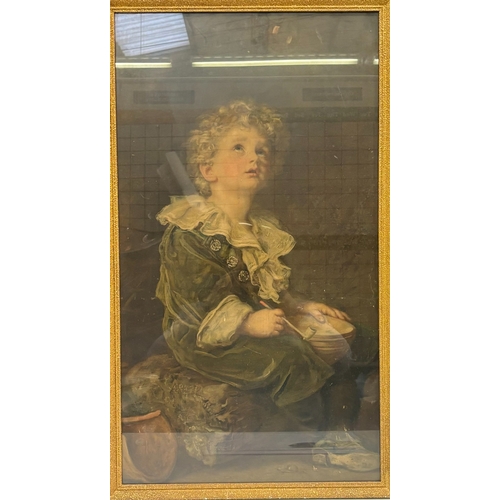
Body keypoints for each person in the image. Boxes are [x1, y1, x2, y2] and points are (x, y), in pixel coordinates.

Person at [155, 100, 351, 429]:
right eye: (239, 148)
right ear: (208, 170)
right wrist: (246, 323)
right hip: (204, 340)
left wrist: (299, 307)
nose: (254, 158)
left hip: (258, 325)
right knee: (291, 359)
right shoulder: (192, 231)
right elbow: (193, 307)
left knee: (350, 348)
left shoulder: (261, 228)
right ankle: (309, 443)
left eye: (262, 150)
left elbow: (269, 291)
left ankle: (345, 435)